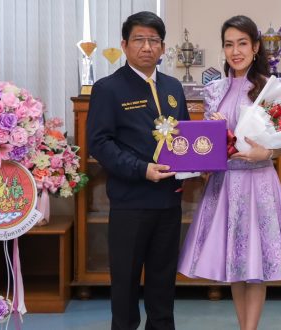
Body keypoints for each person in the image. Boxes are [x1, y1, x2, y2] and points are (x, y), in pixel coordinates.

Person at [177, 15, 281, 330]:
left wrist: (269, 153)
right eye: (229, 44)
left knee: (256, 263)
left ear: (255, 47)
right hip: (225, 182)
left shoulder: (273, 88)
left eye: (242, 43)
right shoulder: (214, 90)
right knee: (234, 264)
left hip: (260, 180)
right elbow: (208, 144)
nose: (235, 51)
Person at [87, 11, 190, 330]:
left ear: (162, 47)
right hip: (131, 202)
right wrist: (141, 169)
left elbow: (183, 137)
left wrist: (199, 163)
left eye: (154, 40)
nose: (147, 47)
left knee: (163, 287)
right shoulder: (108, 88)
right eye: (139, 40)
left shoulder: (173, 86)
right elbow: (99, 143)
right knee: (126, 286)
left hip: (169, 203)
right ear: (125, 44)